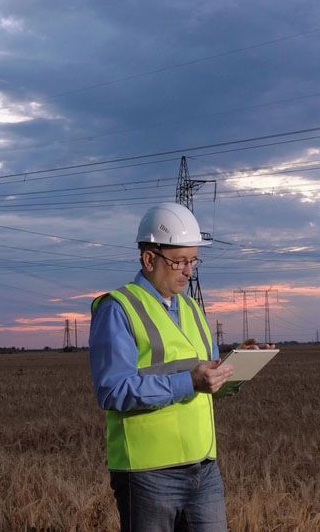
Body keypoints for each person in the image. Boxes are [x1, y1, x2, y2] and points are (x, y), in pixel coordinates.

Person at [88, 202, 233, 531]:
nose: (188, 271)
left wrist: (232, 369)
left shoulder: (194, 310)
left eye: (193, 261)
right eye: (179, 261)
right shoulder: (118, 309)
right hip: (147, 474)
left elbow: (205, 378)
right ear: (149, 259)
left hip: (204, 468)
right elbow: (113, 390)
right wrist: (189, 383)